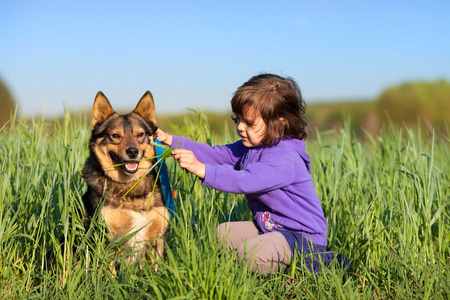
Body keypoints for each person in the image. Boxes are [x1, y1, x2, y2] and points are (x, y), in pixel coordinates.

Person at [156, 73, 348, 275]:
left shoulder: (284, 156)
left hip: (303, 238)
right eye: (237, 119)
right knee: (223, 234)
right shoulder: (251, 147)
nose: (240, 127)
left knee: (248, 256)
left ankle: (319, 264)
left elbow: (246, 180)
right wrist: (171, 140)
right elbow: (218, 154)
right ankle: (268, 262)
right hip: (272, 228)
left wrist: (203, 170)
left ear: (279, 123)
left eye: (249, 123)